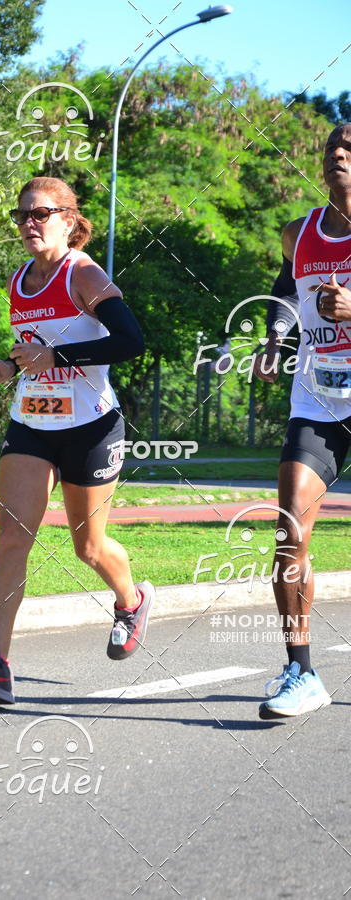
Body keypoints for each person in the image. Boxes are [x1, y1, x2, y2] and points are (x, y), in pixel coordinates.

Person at [0, 176, 151, 705]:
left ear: (68, 218)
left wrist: (56, 359)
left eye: (40, 214)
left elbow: (131, 341)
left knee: (87, 546)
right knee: (13, 538)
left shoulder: (82, 272)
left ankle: (131, 600)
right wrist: (7, 367)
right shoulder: (20, 280)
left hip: (91, 427)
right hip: (32, 425)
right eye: (21, 216)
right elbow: (36, 353)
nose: (29, 224)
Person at [253, 123, 351, 718]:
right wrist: (274, 338)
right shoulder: (302, 232)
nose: (338, 156)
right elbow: (288, 288)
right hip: (318, 399)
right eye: (330, 150)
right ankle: (301, 670)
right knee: (291, 533)